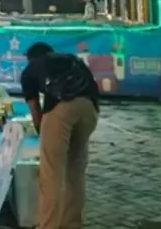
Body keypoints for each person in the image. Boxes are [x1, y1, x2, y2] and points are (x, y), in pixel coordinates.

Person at [21, 42, 99, 229]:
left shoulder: (30, 69)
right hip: (90, 108)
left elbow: (35, 109)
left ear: (31, 58)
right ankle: (72, 224)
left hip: (61, 109)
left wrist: (43, 135)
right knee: (75, 171)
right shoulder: (71, 59)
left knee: (51, 175)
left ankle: (47, 226)